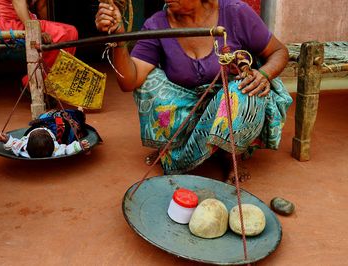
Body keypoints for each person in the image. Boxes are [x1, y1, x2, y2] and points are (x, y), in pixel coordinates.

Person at [95, 0, 292, 182]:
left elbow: (279, 51)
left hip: (228, 107)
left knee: (244, 90)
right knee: (149, 83)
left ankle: (232, 155)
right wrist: (118, 37)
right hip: (187, 106)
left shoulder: (235, 12)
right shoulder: (157, 24)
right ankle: (173, 145)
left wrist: (264, 74)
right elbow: (129, 81)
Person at [0, 0, 78, 86]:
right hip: (5, 23)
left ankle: (50, 81)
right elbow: (18, 3)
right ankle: (34, 83)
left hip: (20, 21)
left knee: (70, 32)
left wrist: (48, 29)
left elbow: (41, 6)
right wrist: (37, 31)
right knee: (65, 34)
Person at [0, 108, 101, 158]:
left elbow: (13, 143)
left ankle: (78, 111)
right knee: (68, 119)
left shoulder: (22, 148)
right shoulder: (55, 149)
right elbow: (67, 149)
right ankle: (79, 112)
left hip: (41, 125)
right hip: (53, 129)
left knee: (46, 117)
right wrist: (79, 146)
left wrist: (6, 139)